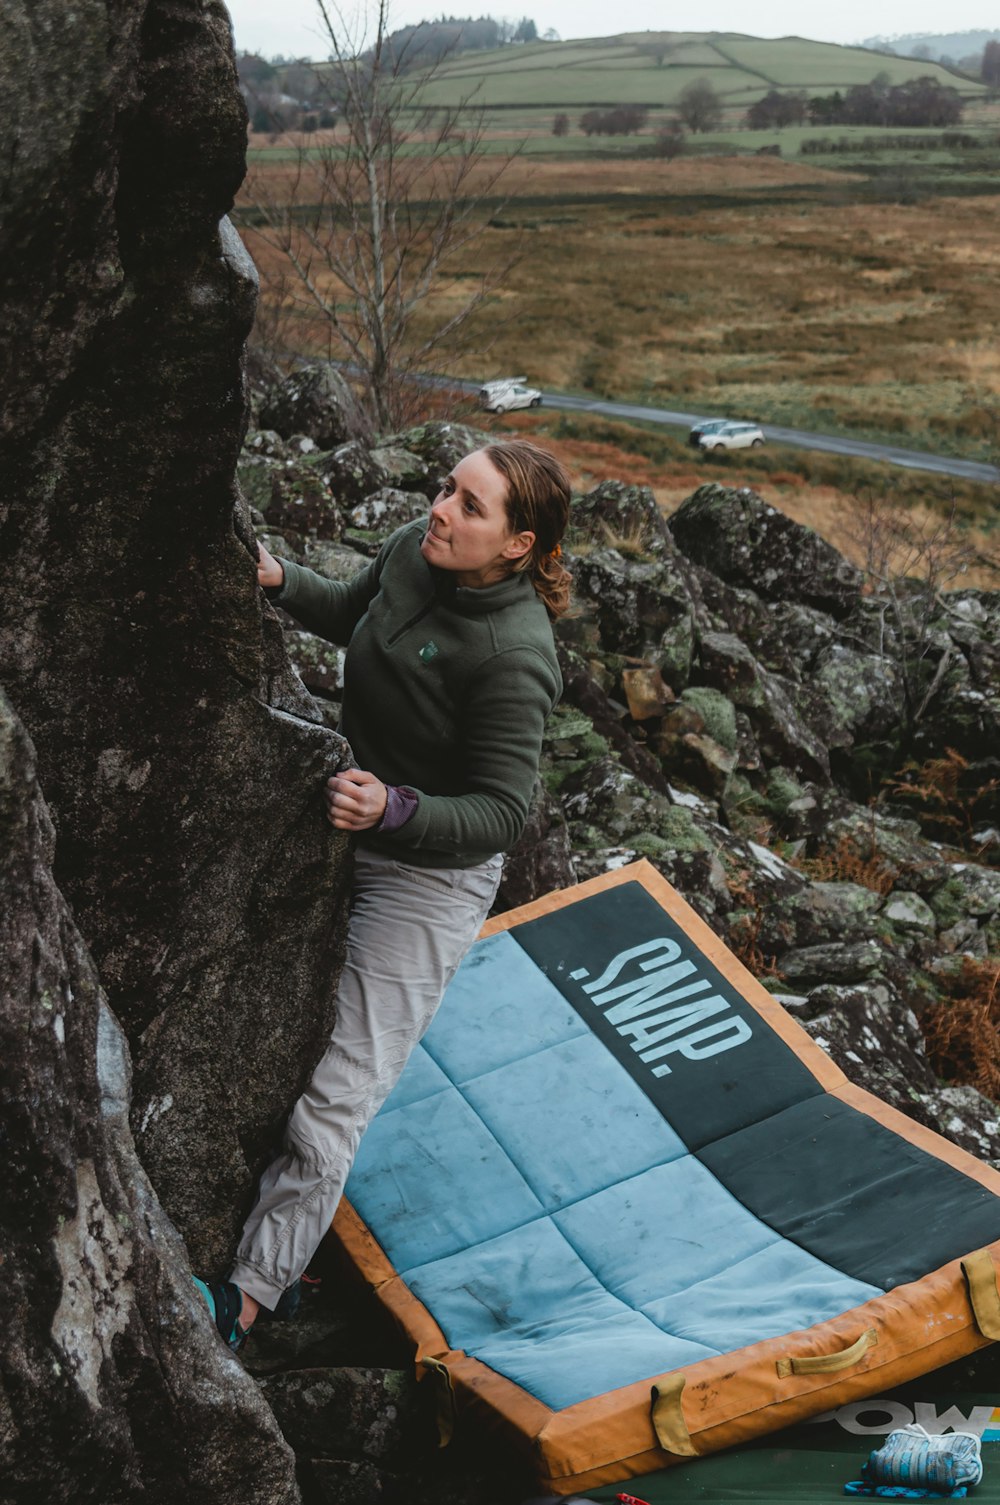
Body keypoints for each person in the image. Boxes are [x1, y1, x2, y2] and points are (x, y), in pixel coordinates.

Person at [195, 438, 573, 1349]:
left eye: (470, 505)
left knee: (340, 1087)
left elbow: (502, 813)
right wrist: (282, 579)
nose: (441, 506)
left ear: (518, 545)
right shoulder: (418, 545)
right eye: (449, 488)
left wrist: (395, 806)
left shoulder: (516, 657)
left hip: (428, 873)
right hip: (354, 805)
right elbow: (354, 613)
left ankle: (248, 1295)